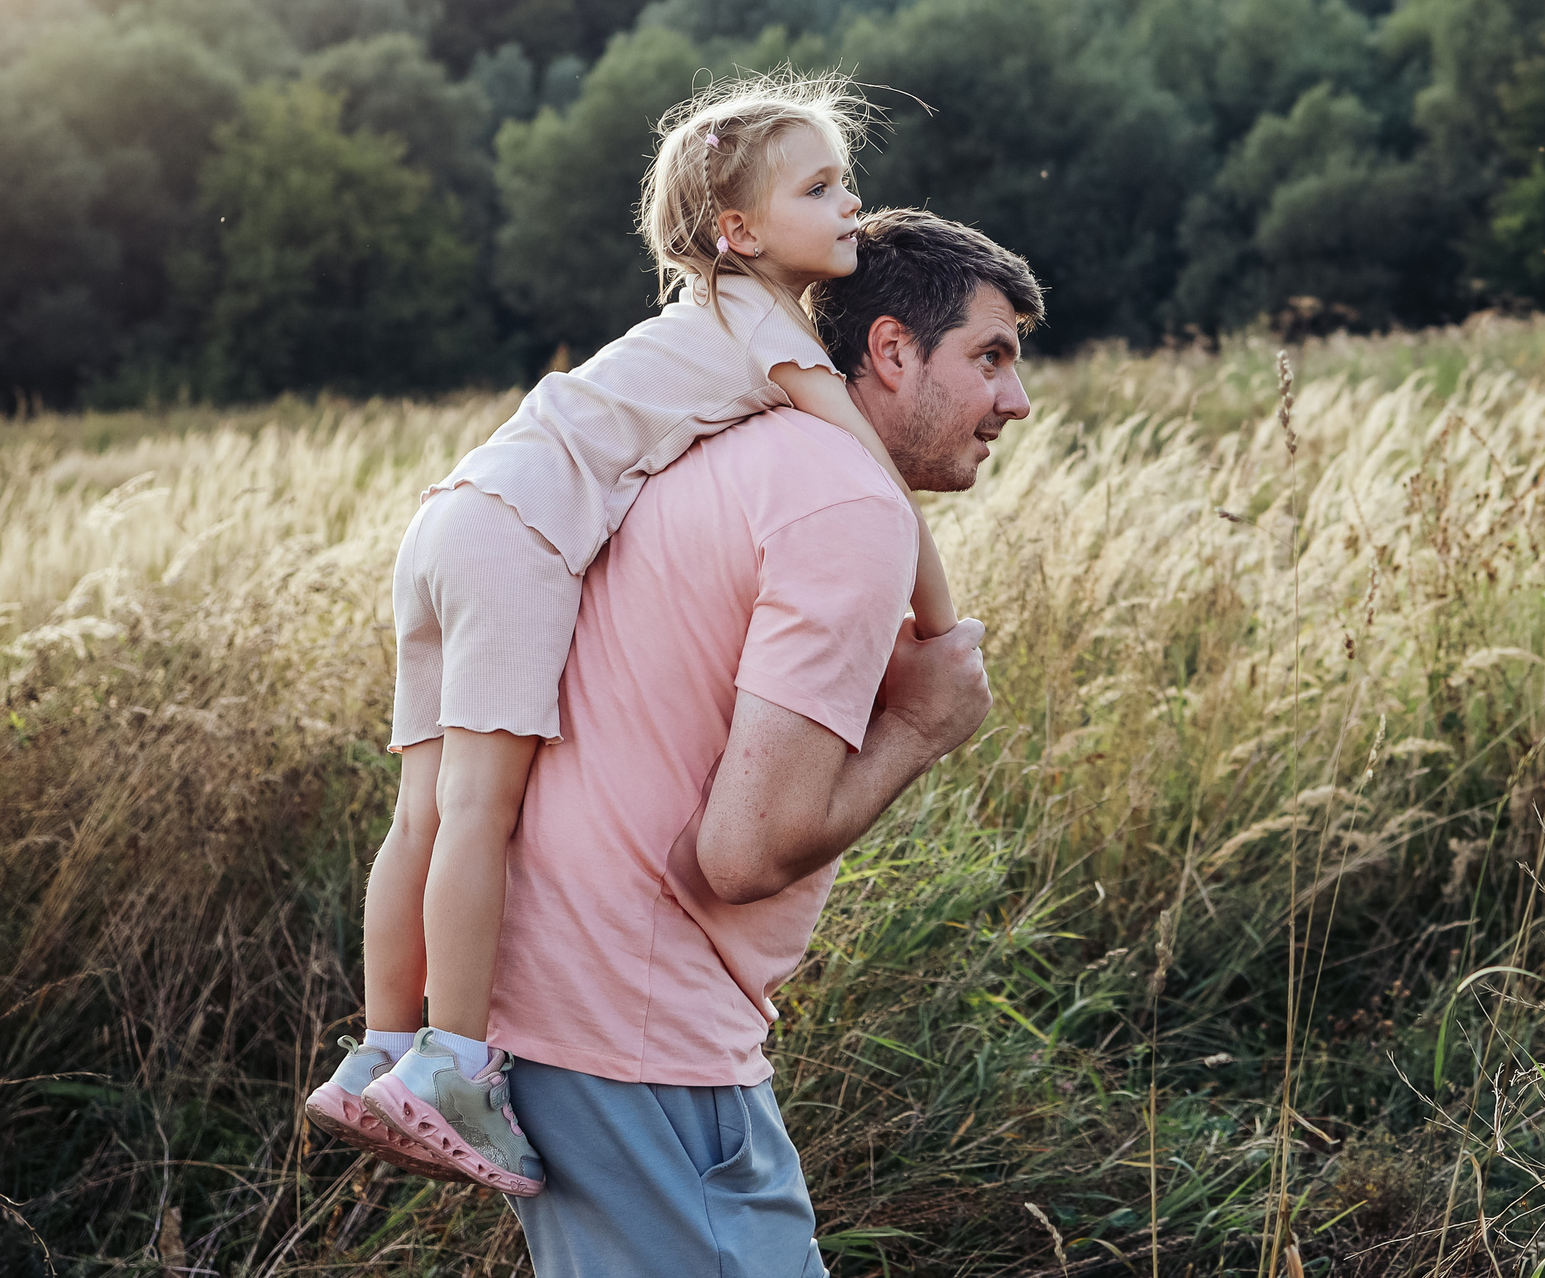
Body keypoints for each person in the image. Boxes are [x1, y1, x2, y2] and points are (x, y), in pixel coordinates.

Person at [303, 74, 957, 1193]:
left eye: (846, 180)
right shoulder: (763, 322)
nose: (851, 204)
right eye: (821, 186)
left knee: (421, 808)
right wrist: (941, 629)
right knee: (480, 812)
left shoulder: (697, 318)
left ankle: (376, 1049)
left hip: (454, 517)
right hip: (519, 537)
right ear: (737, 231)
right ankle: (453, 1064)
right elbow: (865, 465)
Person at [483, 211, 1040, 1274]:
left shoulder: (737, 452)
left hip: (579, 1012)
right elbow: (739, 853)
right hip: (639, 1035)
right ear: (888, 350)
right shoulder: (845, 504)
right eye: (992, 357)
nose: (1015, 400)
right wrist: (922, 728)